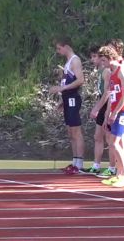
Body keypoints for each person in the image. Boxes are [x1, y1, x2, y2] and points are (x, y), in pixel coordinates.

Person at [98, 45, 124, 187]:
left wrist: (116, 112)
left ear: (110, 58)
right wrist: (107, 115)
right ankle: (120, 173)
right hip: (114, 111)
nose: (102, 63)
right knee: (113, 142)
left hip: (123, 111)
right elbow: (112, 97)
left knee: (115, 142)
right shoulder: (111, 73)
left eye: (104, 60)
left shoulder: (121, 70)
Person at [50, 36, 85, 175]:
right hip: (67, 98)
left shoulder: (75, 60)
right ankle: (75, 161)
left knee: (76, 131)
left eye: (59, 48)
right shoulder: (68, 62)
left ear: (66, 46)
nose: (58, 51)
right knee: (70, 132)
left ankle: (80, 163)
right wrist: (62, 100)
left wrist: (61, 89)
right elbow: (67, 82)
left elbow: (80, 80)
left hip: (72, 98)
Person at [80, 45, 115, 175]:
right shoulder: (100, 71)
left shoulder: (107, 71)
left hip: (108, 105)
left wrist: (97, 108)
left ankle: (112, 168)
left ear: (102, 58)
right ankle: (96, 165)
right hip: (102, 103)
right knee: (97, 136)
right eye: (92, 56)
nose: (92, 59)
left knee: (110, 139)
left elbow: (107, 93)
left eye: (95, 56)